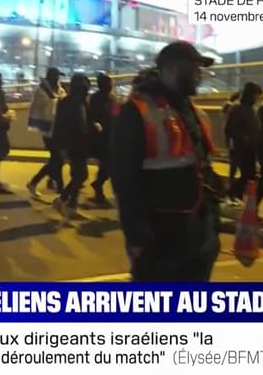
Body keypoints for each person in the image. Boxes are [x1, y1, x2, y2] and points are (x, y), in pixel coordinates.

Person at [111, 41, 223, 281]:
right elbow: (124, 180)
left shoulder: (191, 110)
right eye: (192, 68)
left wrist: (213, 223)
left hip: (198, 232)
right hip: (161, 236)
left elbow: (201, 165)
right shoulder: (136, 111)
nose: (198, 75)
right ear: (169, 69)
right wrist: (137, 237)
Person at [52, 73, 92, 218]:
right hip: (72, 145)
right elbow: (59, 127)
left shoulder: (83, 102)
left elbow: (86, 122)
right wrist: (61, 148)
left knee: (77, 175)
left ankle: (71, 207)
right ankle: (62, 199)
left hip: (82, 144)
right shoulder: (66, 103)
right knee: (82, 175)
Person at [27, 67, 67, 197]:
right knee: (58, 159)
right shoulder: (41, 91)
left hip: (59, 130)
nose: (58, 79)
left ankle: (36, 182)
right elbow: (46, 109)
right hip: (48, 130)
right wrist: (58, 101)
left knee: (57, 160)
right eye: (56, 77)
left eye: (58, 77)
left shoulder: (59, 89)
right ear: (50, 77)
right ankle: (61, 189)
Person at [225, 81, 262, 204]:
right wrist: (243, 138)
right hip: (241, 148)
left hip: (250, 148)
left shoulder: (252, 109)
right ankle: (230, 192)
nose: (257, 98)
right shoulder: (238, 109)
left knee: (249, 175)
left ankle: (237, 195)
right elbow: (230, 128)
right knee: (248, 174)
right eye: (256, 94)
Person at [88, 72, 117, 206]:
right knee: (108, 164)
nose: (111, 86)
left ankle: (98, 185)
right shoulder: (96, 99)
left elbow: (117, 115)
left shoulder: (112, 99)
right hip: (101, 137)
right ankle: (98, 187)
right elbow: (91, 117)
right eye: (108, 83)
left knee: (108, 165)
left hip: (111, 135)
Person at [222, 91, 240, 206]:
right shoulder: (231, 107)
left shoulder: (227, 107)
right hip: (234, 141)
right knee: (234, 167)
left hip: (231, 141)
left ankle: (230, 192)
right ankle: (230, 193)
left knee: (233, 168)